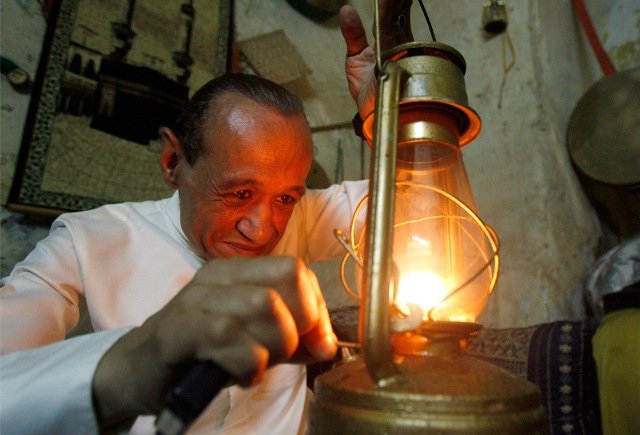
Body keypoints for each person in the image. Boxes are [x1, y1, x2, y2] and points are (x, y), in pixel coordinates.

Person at [0, 1, 415, 434]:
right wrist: (138, 358)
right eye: (239, 193)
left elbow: (422, 210)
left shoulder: (304, 216)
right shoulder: (86, 241)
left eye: (286, 198)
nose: (264, 228)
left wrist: (395, 121)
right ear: (172, 161)